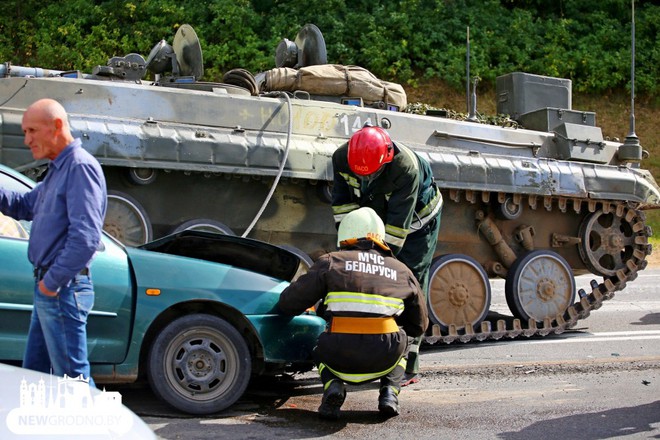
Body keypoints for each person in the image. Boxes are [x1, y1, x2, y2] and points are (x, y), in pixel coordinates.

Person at [277, 207, 428, 420]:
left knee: (313, 337)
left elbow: (288, 304)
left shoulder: (331, 262)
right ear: (380, 238)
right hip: (384, 355)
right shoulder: (402, 270)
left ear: (345, 235)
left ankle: (333, 386)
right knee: (407, 338)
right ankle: (389, 393)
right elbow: (420, 325)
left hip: (338, 355)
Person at [0, 98, 107, 387]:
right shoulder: (58, 170)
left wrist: (51, 284)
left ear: (57, 126)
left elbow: (85, 240)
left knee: (74, 382)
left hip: (61, 289)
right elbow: (23, 205)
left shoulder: (80, 168)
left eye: (32, 130)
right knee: (35, 378)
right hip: (53, 289)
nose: (27, 140)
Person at [331, 125, 442, 386]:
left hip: (416, 225)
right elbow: (342, 206)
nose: (367, 178)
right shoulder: (341, 157)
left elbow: (395, 231)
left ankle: (408, 362)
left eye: (374, 173)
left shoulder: (406, 168)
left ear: (387, 158)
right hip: (375, 215)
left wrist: (374, 265)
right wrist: (349, 251)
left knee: (408, 282)